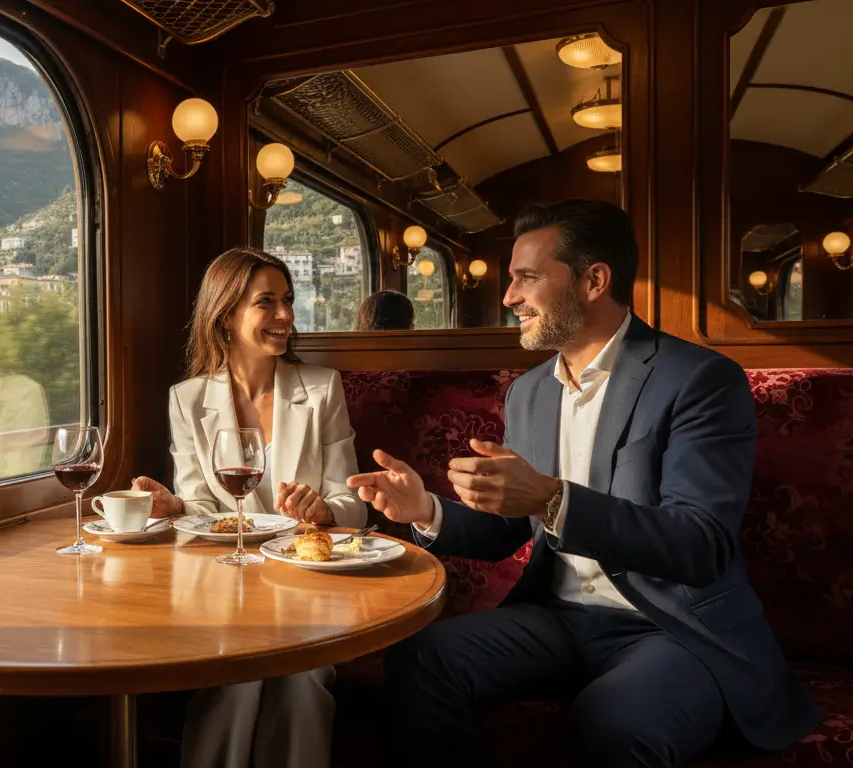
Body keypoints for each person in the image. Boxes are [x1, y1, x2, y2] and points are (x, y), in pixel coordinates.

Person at [348, 199, 819, 766]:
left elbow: (701, 545)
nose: (509, 298)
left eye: (527, 279)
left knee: (613, 720)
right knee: (421, 657)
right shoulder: (531, 391)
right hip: (558, 618)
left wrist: (551, 497)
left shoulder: (700, 380)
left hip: (671, 627)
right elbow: (507, 532)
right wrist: (425, 510)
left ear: (594, 280)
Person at [131, 246, 366, 768]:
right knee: (236, 676)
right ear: (226, 315)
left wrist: (324, 511)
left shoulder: (323, 388)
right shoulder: (187, 399)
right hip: (222, 584)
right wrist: (170, 505)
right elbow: (198, 505)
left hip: (307, 582)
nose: (285, 316)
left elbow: (354, 504)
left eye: (287, 300)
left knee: (303, 678)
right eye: (267, 303)